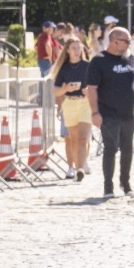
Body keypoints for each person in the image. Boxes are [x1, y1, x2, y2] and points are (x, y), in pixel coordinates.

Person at [85, 26, 134, 198]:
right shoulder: (99, 61)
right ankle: (108, 187)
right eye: (126, 41)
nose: (129, 44)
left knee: (127, 149)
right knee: (110, 149)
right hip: (108, 112)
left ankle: (125, 183)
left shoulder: (130, 58)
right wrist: (95, 112)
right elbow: (92, 88)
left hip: (128, 112)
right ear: (114, 42)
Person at [51, 37, 93, 180]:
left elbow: (99, 85)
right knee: (73, 139)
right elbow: (55, 90)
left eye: (78, 47)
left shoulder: (88, 66)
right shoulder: (64, 68)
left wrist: (90, 91)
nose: (76, 51)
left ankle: (80, 168)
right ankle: (75, 166)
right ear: (67, 50)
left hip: (85, 103)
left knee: (83, 137)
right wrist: (65, 88)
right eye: (73, 48)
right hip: (69, 102)